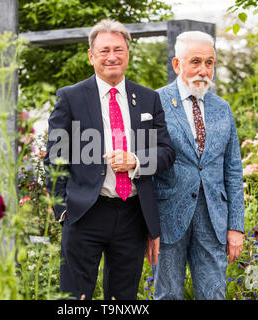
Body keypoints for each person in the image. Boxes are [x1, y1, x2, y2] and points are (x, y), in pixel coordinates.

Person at [44, 19, 175, 300]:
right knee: (74, 299)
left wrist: (136, 161)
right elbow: (55, 158)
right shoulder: (70, 97)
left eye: (118, 49)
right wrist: (63, 212)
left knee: (123, 299)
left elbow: (166, 153)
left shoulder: (149, 99)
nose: (112, 56)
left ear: (128, 54)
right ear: (91, 57)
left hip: (132, 216)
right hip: (84, 214)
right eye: (104, 51)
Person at [152, 31, 245, 300]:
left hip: (214, 219)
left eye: (209, 63)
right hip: (167, 219)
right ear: (177, 64)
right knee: (167, 295)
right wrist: (147, 224)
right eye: (195, 62)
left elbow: (233, 169)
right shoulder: (155, 102)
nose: (203, 70)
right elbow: (146, 164)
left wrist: (236, 226)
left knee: (214, 295)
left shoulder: (222, 108)